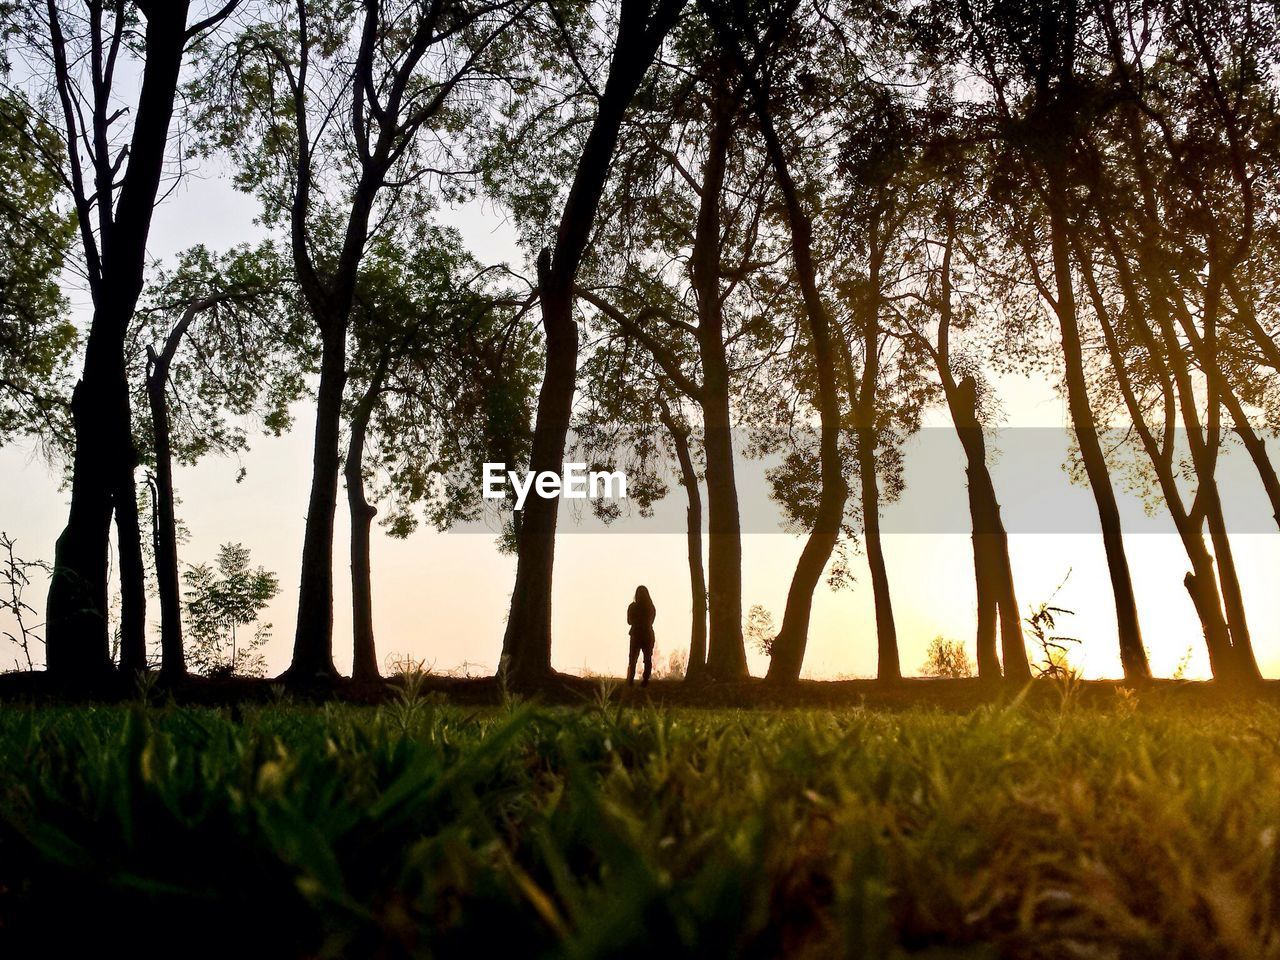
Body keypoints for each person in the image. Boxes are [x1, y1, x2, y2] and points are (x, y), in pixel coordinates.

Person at [627, 585, 656, 687]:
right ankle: (645, 680)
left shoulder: (633, 607)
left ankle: (630, 680)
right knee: (647, 658)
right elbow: (651, 621)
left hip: (636, 634)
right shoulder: (651, 607)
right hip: (648, 634)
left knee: (632, 658)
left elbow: (629, 621)